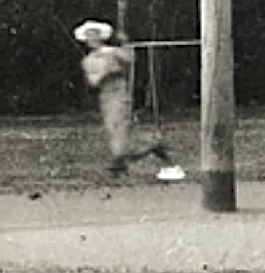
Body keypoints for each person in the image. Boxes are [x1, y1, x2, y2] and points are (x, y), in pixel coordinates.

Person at [74, 19, 184, 181]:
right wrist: (105, 70)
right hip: (105, 96)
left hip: (119, 93)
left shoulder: (112, 52)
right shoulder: (89, 60)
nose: (92, 39)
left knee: (121, 129)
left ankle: (123, 160)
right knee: (114, 130)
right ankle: (135, 155)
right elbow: (93, 81)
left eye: (94, 34)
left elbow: (130, 58)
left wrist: (124, 43)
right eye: (89, 36)